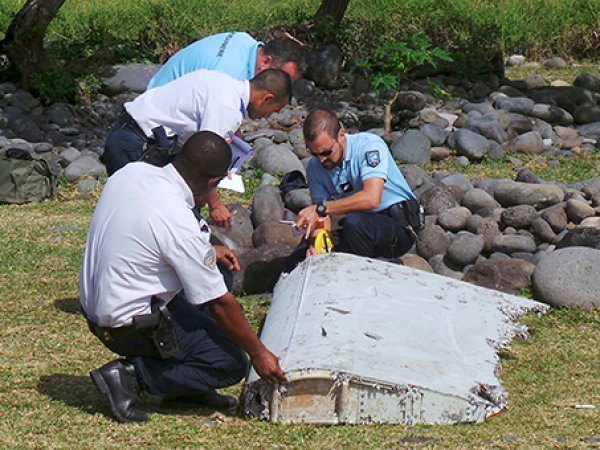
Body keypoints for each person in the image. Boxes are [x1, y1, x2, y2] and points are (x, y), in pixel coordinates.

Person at [81, 131, 286, 423]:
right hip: (127, 325)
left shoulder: (133, 172)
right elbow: (220, 304)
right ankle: (130, 376)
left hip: (97, 305)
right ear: (212, 182)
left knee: (220, 275)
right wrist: (259, 352)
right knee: (228, 362)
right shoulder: (176, 218)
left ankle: (186, 387)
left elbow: (146, 236)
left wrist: (209, 251)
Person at [101, 68, 292, 227]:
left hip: (129, 131)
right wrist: (215, 205)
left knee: (136, 211)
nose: (267, 117)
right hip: (138, 144)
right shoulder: (227, 109)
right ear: (267, 98)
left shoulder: (222, 81)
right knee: (138, 216)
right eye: (273, 110)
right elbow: (204, 159)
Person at [286, 108, 418, 269]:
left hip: (397, 226)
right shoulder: (315, 167)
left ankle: (362, 276)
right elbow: (322, 218)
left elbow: (371, 198)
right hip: (359, 227)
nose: (321, 160)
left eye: (326, 152)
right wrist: (317, 245)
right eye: (314, 154)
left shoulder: (369, 147)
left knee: (354, 223)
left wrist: (321, 208)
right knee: (300, 257)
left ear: (341, 135)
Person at [147, 31, 304, 89]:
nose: (283, 89)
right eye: (283, 80)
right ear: (265, 62)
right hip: (155, 122)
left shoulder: (244, 40)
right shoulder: (228, 77)